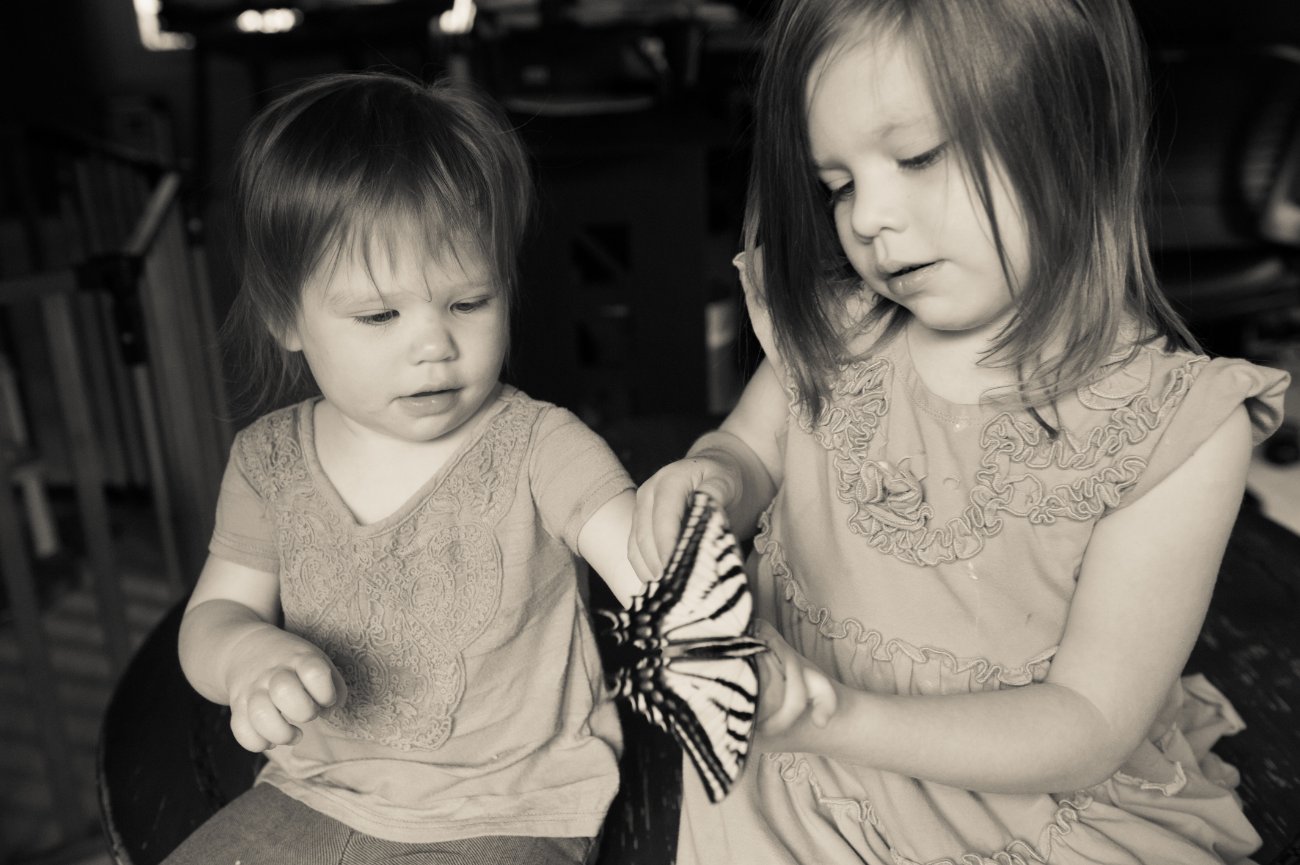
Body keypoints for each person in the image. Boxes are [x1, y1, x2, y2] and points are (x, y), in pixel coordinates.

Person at [628, 0, 1292, 862]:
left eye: (916, 158)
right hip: (795, 781)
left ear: (1074, 136)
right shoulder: (840, 332)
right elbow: (751, 447)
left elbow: (1087, 720)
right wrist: (711, 477)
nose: (867, 216)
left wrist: (837, 714)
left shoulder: (1177, 431)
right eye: (840, 185)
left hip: (1025, 810)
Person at [170, 71, 644, 865]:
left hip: (505, 808)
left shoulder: (540, 446)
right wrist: (247, 654)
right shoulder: (269, 461)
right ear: (286, 316)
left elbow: (654, 572)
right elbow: (208, 621)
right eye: (380, 315)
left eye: (469, 303)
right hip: (310, 790)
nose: (434, 344)